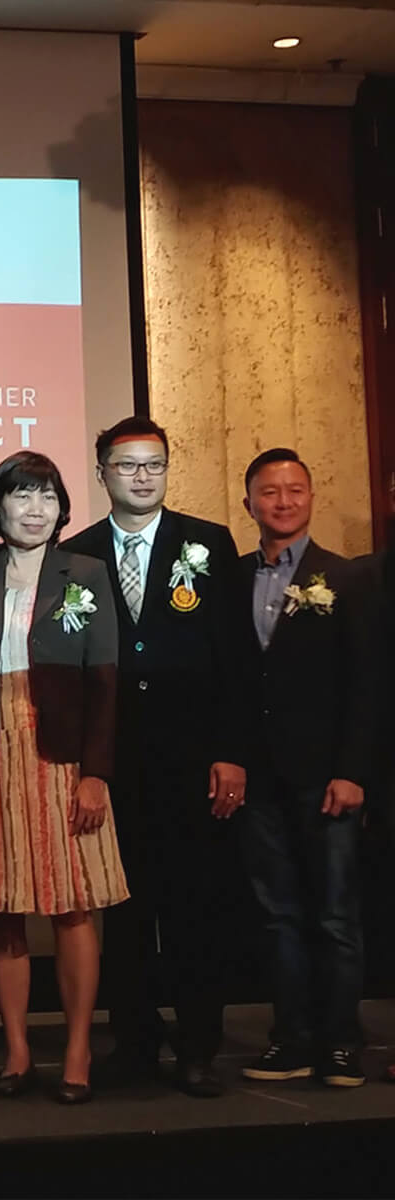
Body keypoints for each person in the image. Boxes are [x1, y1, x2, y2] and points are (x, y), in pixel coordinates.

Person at [60, 416, 249, 1097]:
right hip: (113, 764)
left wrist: (231, 753)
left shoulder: (209, 542)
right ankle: (135, 1042)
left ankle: (199, 1046)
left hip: (194, 761)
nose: (142, 475)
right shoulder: (75, 554)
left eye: (154, 464)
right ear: (102, 471)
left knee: (196, 906)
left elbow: (235, 659)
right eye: (127, 464)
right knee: (127, 910)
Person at [0, 451, 128, 1105]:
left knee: (73, 905)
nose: (33, 509)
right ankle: (18, 1050)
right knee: (5, 908)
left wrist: (96, 772)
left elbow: (105, 683)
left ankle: (77, 1048)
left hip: (62, 756)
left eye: (46, 497)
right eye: (20, 497)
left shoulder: (87, 574)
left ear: (61, 509)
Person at [234, 448, 377, 1089]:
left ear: (312, 498)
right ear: (249, 504)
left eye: (295, 490)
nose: (283, 502)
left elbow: (367, 686)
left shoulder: (346, 579)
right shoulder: (229, 580)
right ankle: (289, 1038)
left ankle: (342, 1042)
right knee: (277, 914)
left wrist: (352, 770)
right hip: (257, 779)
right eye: (270, 492)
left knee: (335, 916)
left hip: (326, 777)